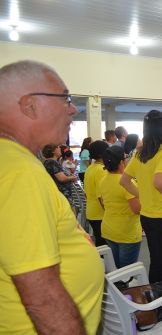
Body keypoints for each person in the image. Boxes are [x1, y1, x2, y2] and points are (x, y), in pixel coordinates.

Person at [0, 59, 103, 334]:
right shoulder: (20, 172)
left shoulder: (13, 161)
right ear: (29, 106)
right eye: (65, 98)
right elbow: (42, 300)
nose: (73, 108)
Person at [120, 110, 162, 301]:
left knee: (156, 262)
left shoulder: (140, 153)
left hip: (148, 216)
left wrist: (143, 195)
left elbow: (124, 181)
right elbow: (159, 182)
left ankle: (155, 301)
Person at [98, 146, 142, 269]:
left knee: (115, 269)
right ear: (122, 163)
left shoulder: (103, 180)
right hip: (126, 233)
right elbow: (137, 209)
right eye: (126, 157)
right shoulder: (127, 183)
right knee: (127, 272)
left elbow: (103, 203)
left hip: (109, 229)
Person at [84, 140, 109, 247]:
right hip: (100, 213)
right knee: (105, 245)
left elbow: (86, 193)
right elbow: (101, 197)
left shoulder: (90, 168)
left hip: (91, 211)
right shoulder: (102, 170)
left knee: (100, 242)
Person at [42, 143, 78, 212]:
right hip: (63, 195)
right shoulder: (52, 163)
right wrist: (71, 178)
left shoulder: (51, 162)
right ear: (53, 151)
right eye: (58, 148)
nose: (60, 149)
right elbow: (62, 178)